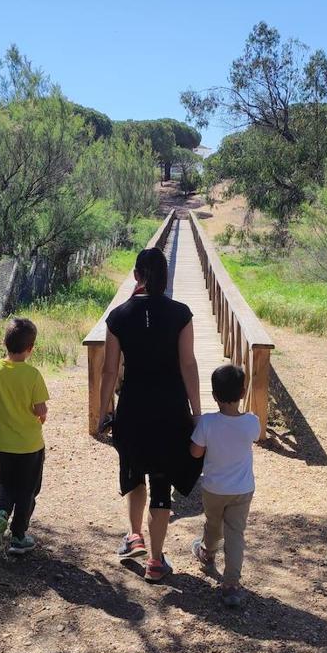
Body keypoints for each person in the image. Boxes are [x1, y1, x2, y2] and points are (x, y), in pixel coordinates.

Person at [97, 247, 202, 582]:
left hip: (133, 410)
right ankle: (156, 561)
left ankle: (133, 536)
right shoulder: (181, 314)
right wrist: (197, 413)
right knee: (161, 481)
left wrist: (103, 412)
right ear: (165, 276)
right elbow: (188, 364)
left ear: (136, 276)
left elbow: (109, 371)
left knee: (133, 474)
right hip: (170, 410)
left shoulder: (118, 317)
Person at [189, 364, 259, 607]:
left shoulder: (207, 423)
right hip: (242, 489)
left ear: (214, 395)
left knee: (213, 524)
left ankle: (207, 552)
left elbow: (196, 453)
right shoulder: (251, 422)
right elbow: (256, 437)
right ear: (242, 393)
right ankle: (231, 583)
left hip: (214, 488)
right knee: (235, 533)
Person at [0, 318, 49, 556]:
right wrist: (40, 417)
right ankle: (19, 536)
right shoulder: (32, 374)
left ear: (4, 343)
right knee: (27, 490)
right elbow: (40, 410)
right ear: (30, 348)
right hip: (30, 445)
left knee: (5, 482)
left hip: (3, 442)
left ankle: (1, 513)